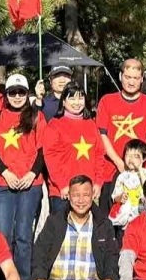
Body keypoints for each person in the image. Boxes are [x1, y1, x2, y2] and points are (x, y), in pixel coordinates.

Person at [0, 73, 44, 280]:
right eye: (12, 92)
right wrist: (5, 172)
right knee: (3, 234)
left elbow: (44, 149)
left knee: (23, 235)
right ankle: (3, 279)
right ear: (6, 95)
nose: (17, 96)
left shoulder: (36, 116)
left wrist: (32, 173)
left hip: (29, 184)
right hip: (3, 183)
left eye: (21, 92)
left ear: (27, 94)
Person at [29, 175, 119, 280]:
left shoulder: (103, 224)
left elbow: (111, 255)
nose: (81, 200)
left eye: (86, 195)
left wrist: (109, 279)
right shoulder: (54, 221)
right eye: (76, 195)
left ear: (93, 196)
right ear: (69, 196)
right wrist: (40, 279)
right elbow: (40, 251)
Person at [41, 83, 106, 214]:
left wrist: (98, 182)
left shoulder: (91, 124)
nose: (77, 102)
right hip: (63, 192)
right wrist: (62, 184)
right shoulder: (54, 125)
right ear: (64, 102)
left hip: (87, 191)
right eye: (72, 98)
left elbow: (99, 154)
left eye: (80, 98)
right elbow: (51, 158)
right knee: (61, 226)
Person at [95, 59, 146, 188]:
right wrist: (118, 161)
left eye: (136, 78)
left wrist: (139, 160)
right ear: (120, 76)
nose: (131, 82)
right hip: (111, 169)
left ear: (142, 79)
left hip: (141, 170)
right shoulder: (107, 101)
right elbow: (102, 135)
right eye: (127, 77)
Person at [109, 139, 146, 227]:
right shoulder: (122, 176)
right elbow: (115, 197)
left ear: (144, 158)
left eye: (135, 156)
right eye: (127, 155)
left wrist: (140, 169)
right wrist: (120, 198)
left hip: (143, 218)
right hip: (126, 220)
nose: (131, 159)